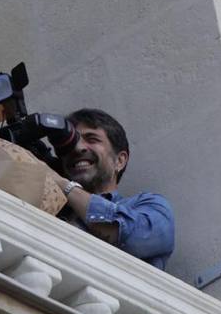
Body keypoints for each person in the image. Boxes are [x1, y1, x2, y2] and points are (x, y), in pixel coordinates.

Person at [57, 109, 174, 269]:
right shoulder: (52, 206)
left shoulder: (149, 205)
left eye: (92, 139)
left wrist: (65, 186)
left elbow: (133, 237)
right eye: (72, 142)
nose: (78, 148)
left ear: (120, 161)